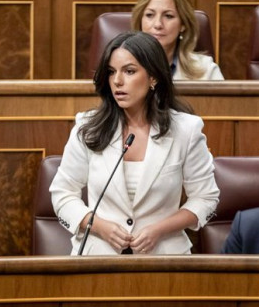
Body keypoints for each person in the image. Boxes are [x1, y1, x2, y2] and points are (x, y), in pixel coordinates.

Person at [50, 31, 219, 255]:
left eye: (129, 71)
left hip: (164, 256)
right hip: (98, 256)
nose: (117, 81)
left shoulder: (186, 130)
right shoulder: (88, 127)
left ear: (153, 77)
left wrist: (158, 230)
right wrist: (100, 226)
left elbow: (206, 198)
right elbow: (62, 193)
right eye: (111, 72)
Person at [131, 0, 224, 81]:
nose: (158, 24)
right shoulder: (121, 67)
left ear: (183, 24)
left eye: (168, 16)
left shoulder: (207, 70)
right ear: (140, 21)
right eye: (150, 15)